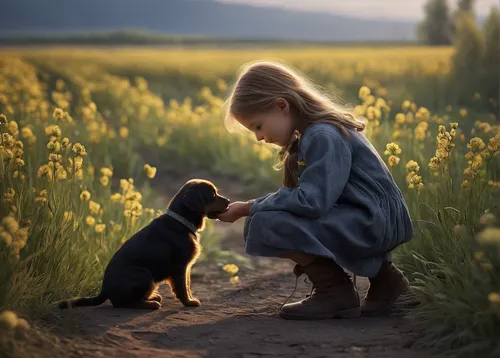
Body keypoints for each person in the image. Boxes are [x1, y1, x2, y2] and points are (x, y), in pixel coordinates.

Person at [216, 60, 413, 320]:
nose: (259, 138)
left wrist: (249, 206)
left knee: (265, 222)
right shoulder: (316, 132)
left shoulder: (322, 135)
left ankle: (335, 292)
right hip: (373, 219)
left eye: (258, 126)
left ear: (282, 106)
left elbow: (312, 202)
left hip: (373, 223)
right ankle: (386, 281)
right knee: (267, 217)